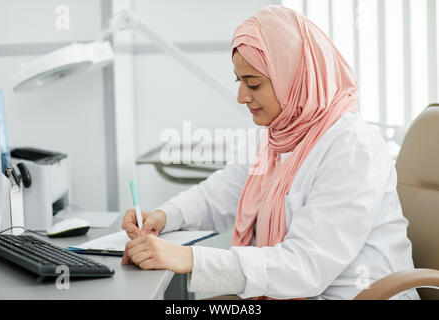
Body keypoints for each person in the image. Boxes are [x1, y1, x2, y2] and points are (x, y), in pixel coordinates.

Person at [121, 5, 420, 300]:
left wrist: (189, 259)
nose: (241, 96)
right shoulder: (274, 136)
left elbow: (305, 267)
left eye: (254, 83)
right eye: (240, 81)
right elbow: (221, 194)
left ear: (294, 79)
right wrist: (164, 216)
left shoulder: (352, 147)